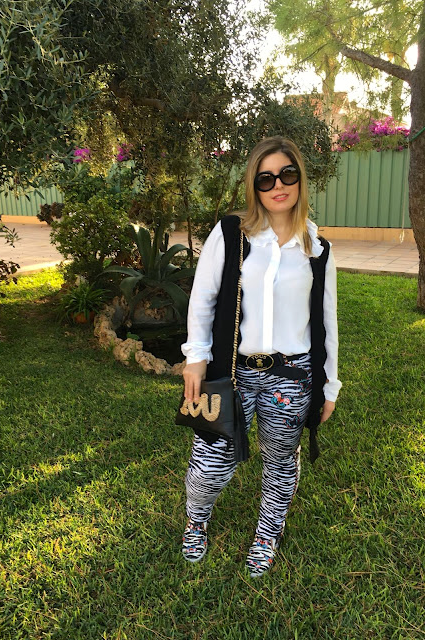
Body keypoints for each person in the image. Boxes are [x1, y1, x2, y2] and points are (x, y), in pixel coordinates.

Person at [180, 136, 341, 578]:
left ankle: (268, 534)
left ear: (300, 179)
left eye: (287, 174)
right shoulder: (231, 233)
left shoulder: (317, 248)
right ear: (254, 186)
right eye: (265, 178)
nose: (278, 185)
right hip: (228, 372)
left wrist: (329, 385)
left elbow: (326, 321)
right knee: (210, 462)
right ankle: (196, 520)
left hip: (292, 375)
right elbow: (203, 297)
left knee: (281, 460)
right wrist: (196, 357)